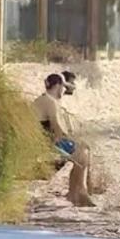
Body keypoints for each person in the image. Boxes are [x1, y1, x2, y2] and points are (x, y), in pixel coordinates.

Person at [32, 73, 94, 207]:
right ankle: (79, 192)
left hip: (43, 140)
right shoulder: (50, 102)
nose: (64, 91)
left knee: (82, 149)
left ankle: (75, 192)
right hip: (47, 143)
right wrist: (73, 140)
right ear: (59, 86)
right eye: (63, 87)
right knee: (82, 152)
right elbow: (57, 129)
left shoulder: (43, 99)